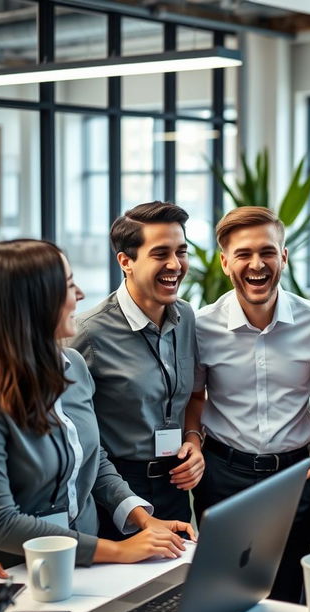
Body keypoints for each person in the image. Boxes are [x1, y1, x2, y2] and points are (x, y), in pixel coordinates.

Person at [0, 239, 195, 569]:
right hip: (22, 572)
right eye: (69, 285)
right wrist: (118, 550)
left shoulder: (72, 365)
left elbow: (93, 457)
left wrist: (143, 519)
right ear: (35, 300)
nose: (80, 295)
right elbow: (0, 522)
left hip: (88, 565)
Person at [187, 206, 310, 603]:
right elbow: (194, 397)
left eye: (268, 252)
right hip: (222, 476)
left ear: (283, 257)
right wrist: (194, 445)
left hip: (293, 477)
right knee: (223, 593)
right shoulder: (202, 327)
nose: (257, 264)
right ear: (225, 262)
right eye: (243, 254)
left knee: (287, 595)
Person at [69, 201, 203, 533]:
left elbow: (191, 397)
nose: (175, 264)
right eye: (160, 254)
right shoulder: (88, 333)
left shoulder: (185, 316)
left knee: (174, 581)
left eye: (181, 252)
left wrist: (193, 441)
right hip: (115, 488)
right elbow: (74, 433)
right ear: (126, 262)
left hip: (174, 481)